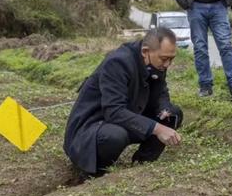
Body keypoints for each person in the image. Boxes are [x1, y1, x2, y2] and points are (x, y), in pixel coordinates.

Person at [63, 28, 183, 176]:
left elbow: (161, 91)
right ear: (145, 51)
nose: (167, 65)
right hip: (94, 125)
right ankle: (95, 173)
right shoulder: (118, 62)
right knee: (115, 136)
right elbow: (113, 111)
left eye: (171, 59)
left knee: (173, 113)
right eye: (164, 59)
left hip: (128, 113)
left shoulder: (156, 60)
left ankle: (143, 162)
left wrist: (164, 108)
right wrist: (157, 128)